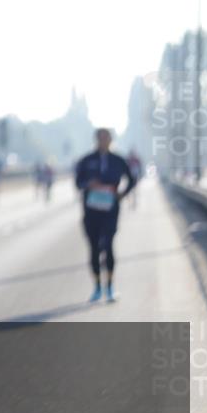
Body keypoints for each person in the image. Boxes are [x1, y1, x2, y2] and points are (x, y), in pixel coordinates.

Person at [74, 128, 137, 303]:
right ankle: (96, 287)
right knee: (94, 248)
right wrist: (88, 184)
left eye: (106, 138)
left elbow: (132, 179)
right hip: (91, 211)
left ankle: (109, 286)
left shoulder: (118, 160)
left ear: (111, 140)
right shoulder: (87, 160)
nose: (103, 141)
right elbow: (77, 182)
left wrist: (122, 194)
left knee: (108, 245)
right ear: (96, 140)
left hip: (110, 210)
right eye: (100, 138)